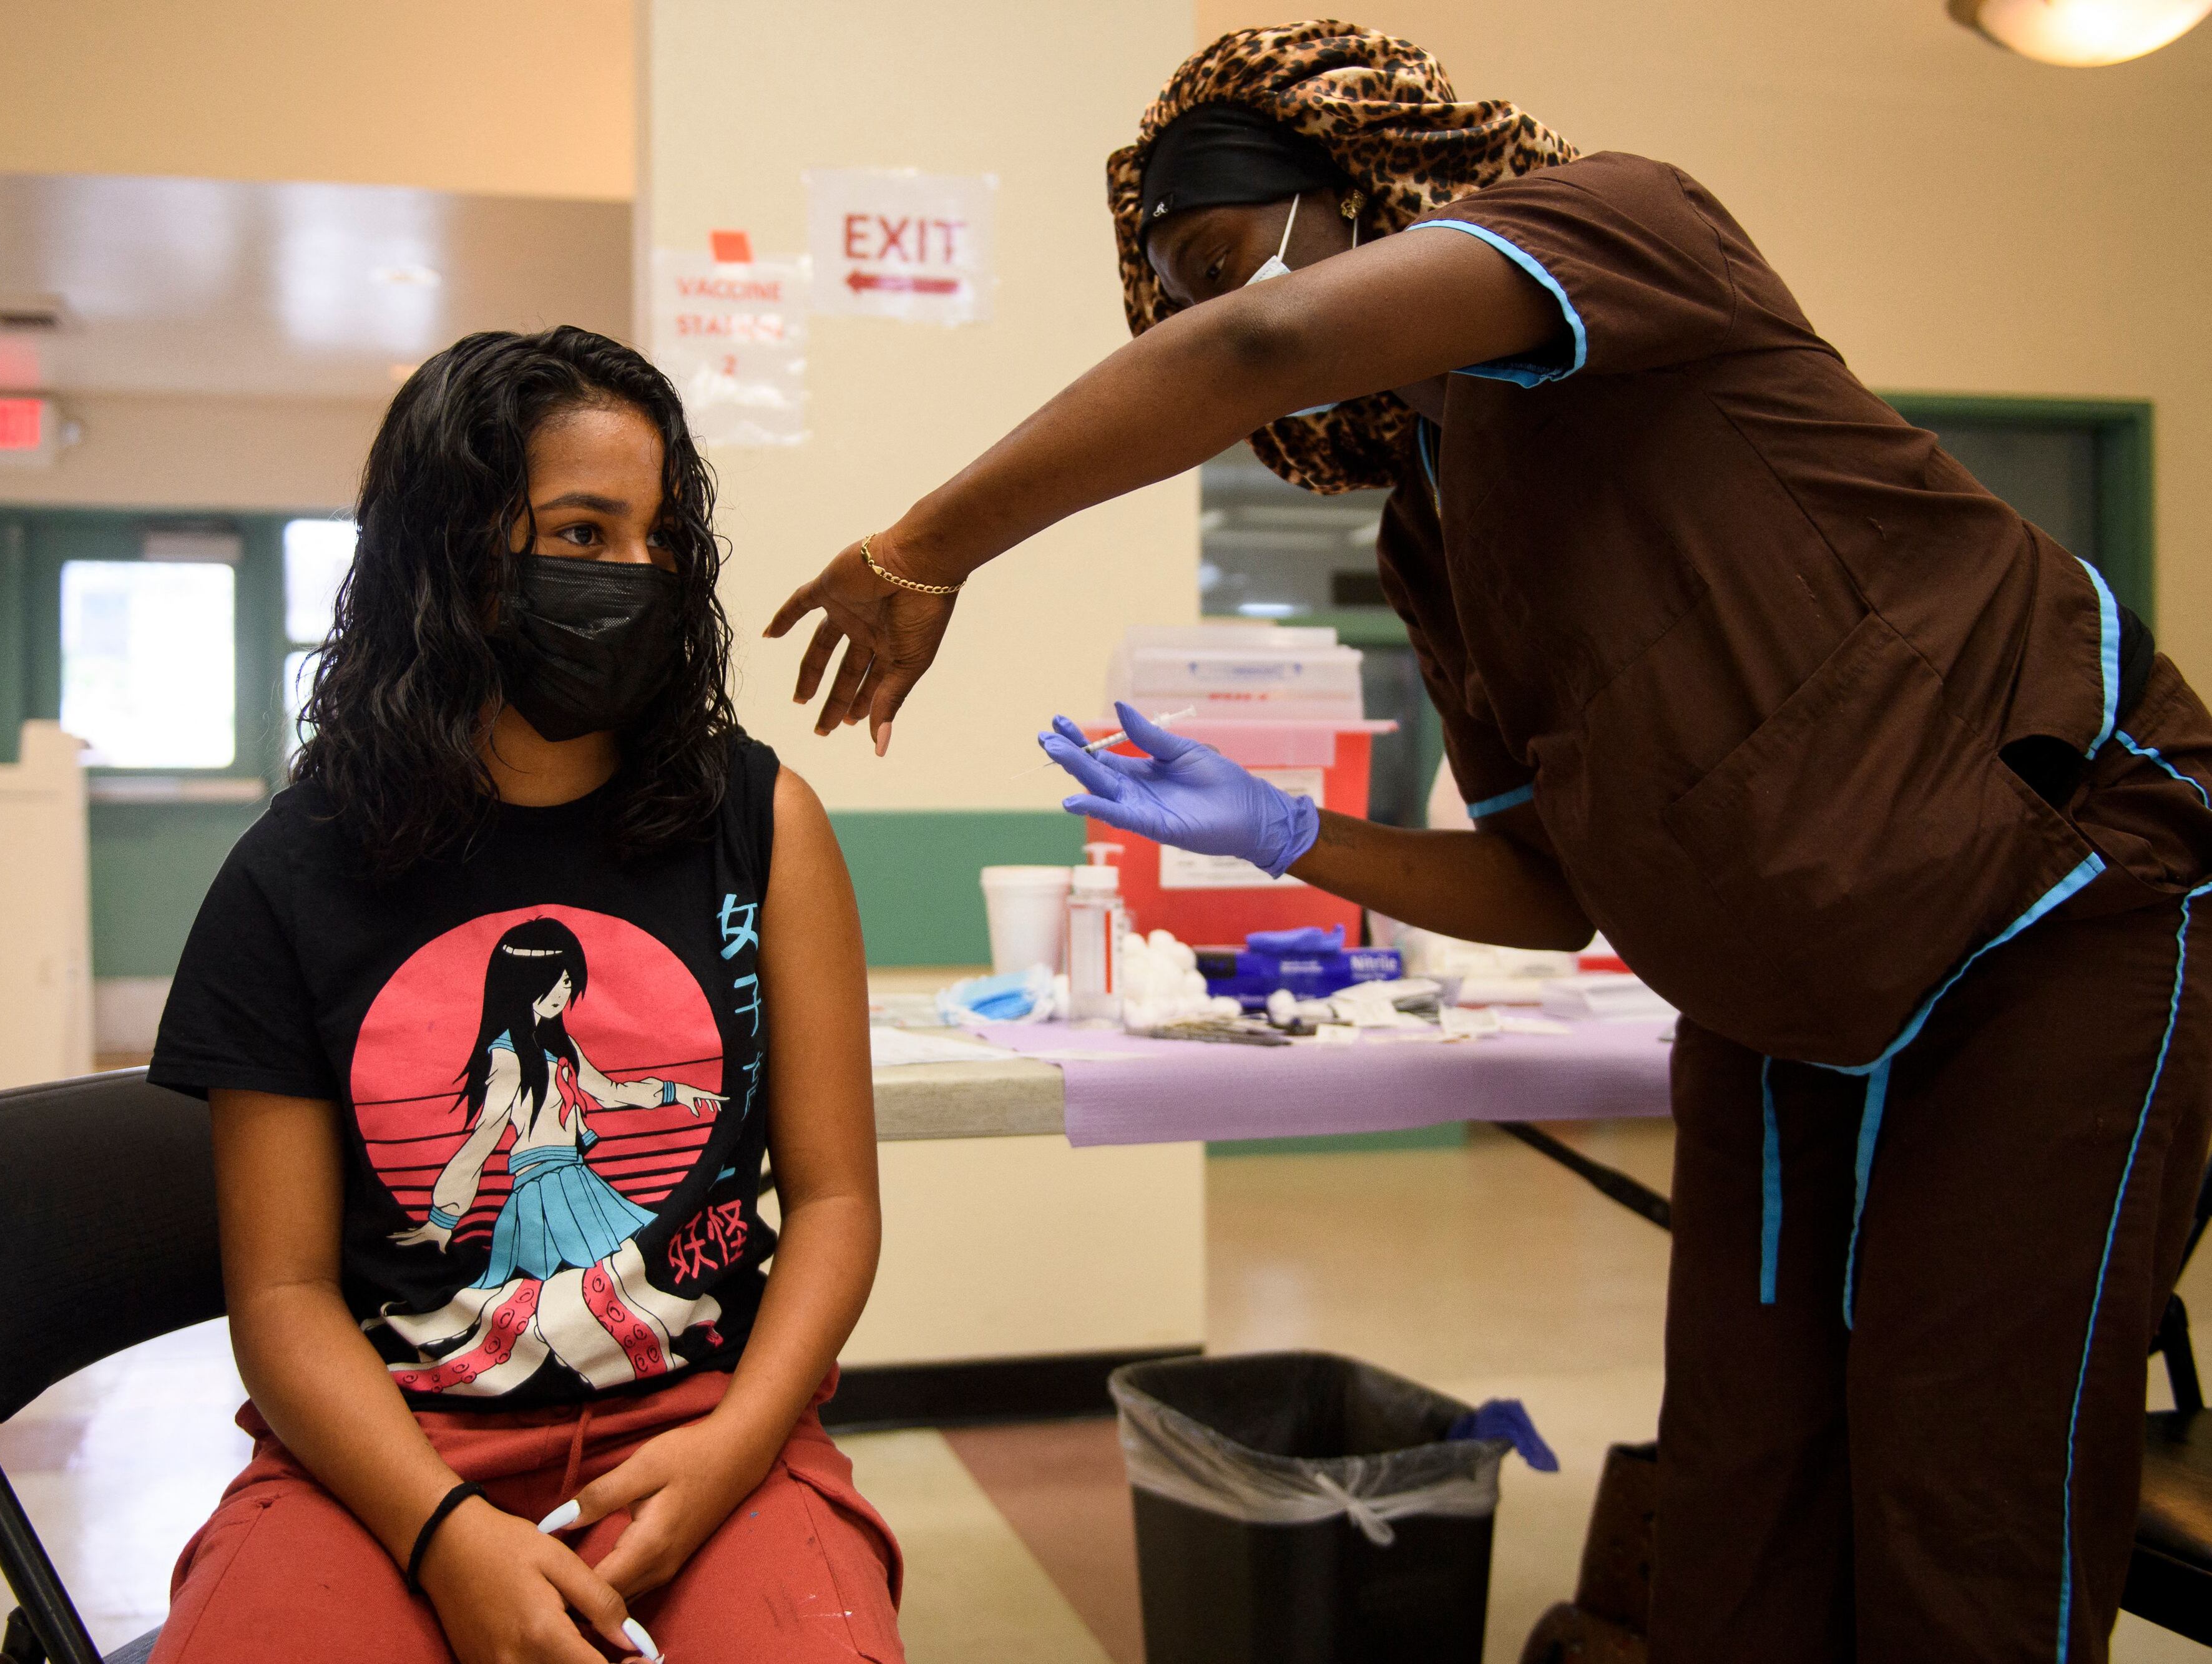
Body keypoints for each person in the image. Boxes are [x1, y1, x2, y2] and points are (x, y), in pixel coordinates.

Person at [766, 22, 2212, 1663]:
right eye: (1181, 294)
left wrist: (927, 546)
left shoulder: (1616, 227)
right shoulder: (1431, 528)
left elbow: (1267, 351)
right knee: (1744, 1518)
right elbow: (1550, 891)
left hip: (2053, 913)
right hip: (1784, 999)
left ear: (1364, 188)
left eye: (1231, 261)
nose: (1214, 319)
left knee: (1964, 1516)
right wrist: (1288, 831)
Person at [149, 326, 903, 1664]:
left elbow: (836, 1201)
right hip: (382, 1452)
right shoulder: (290, 876)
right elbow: (279, 1297)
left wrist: (733, 1448)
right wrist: (438, 1531)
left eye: (657, 538)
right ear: (448, 555)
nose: (633, 576)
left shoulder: (764, 825)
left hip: (705, 1425)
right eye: (579, 533)